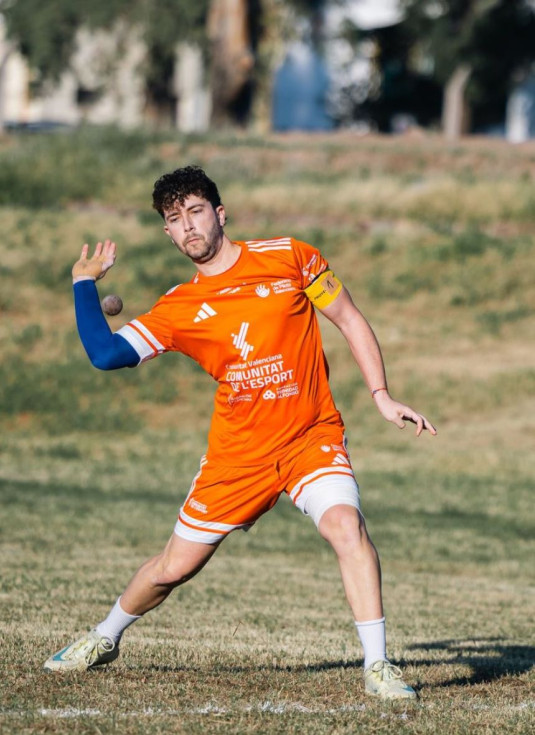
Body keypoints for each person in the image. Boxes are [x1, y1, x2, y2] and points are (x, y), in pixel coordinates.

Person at [45, 166, 436, 700]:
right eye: (174, 219)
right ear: (167, 233)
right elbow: (105, 353)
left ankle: (378, 666)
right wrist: (83, 284)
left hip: (309, 437)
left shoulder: (291, 256)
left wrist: (381, 395)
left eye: (196, 212)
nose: (188, 227)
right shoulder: (179, 307)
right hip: (238, 457)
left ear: (220, 213)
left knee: (346, 527)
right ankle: (104, 636)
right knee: (171, 568)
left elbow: (348, 318)